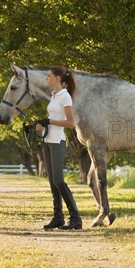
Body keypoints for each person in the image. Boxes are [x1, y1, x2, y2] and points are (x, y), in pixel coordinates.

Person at [36, 66, 82, 230]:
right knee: (52, 182)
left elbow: (70, 123)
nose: (47, 79)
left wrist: (49, 122)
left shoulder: (65, 96)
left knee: (58, 180)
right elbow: (53, 117)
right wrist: (42, 125)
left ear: (57, 78)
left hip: (57, 141)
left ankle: (76, 219)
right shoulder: (54, 95)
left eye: (49, 76)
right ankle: (58, 218)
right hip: (48, 140)